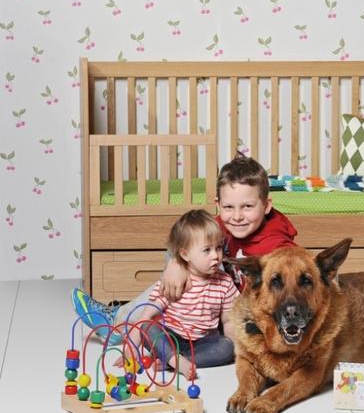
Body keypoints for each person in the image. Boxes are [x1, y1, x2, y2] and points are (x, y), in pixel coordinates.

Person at [73, 153, 297, 345]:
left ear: (266, 206)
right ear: (218, 205)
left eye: (247, 206)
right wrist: (176, 264)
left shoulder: (278, 247)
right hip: (213, 302)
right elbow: (184, 241)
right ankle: (120, 321)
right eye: (229, 207)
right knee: (185, 265)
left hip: (241, 315)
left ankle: (133, 323)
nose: (237, 216)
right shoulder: (221, 225)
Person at [118, 209, 237, 378]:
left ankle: (171, 361)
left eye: (218, 248)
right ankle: (172, 357)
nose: (215, 256)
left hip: (202, 343)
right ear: (185, 254)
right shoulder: (176, 280)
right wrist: (130, 350)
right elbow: (146, 316)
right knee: (148, 327)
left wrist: (236, 350)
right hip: (171, 337)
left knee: (227, 347)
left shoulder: (225, 282)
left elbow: (229, 320)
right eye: (207, 250)